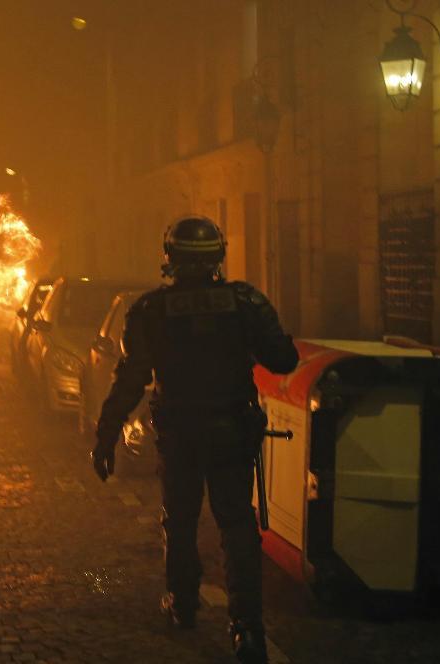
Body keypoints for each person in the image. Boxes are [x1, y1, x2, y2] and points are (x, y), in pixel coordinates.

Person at [90, 216, 298, 664]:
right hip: (231, 432)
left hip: (179, 434)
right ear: (218, 256)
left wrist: (105, 435)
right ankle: (247, 630)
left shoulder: (149, 311)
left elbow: (130, 381)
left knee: (179, 521)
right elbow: (283, 360)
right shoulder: (245, 302)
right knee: (238, 527)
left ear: (170, 257)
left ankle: (182, 604)